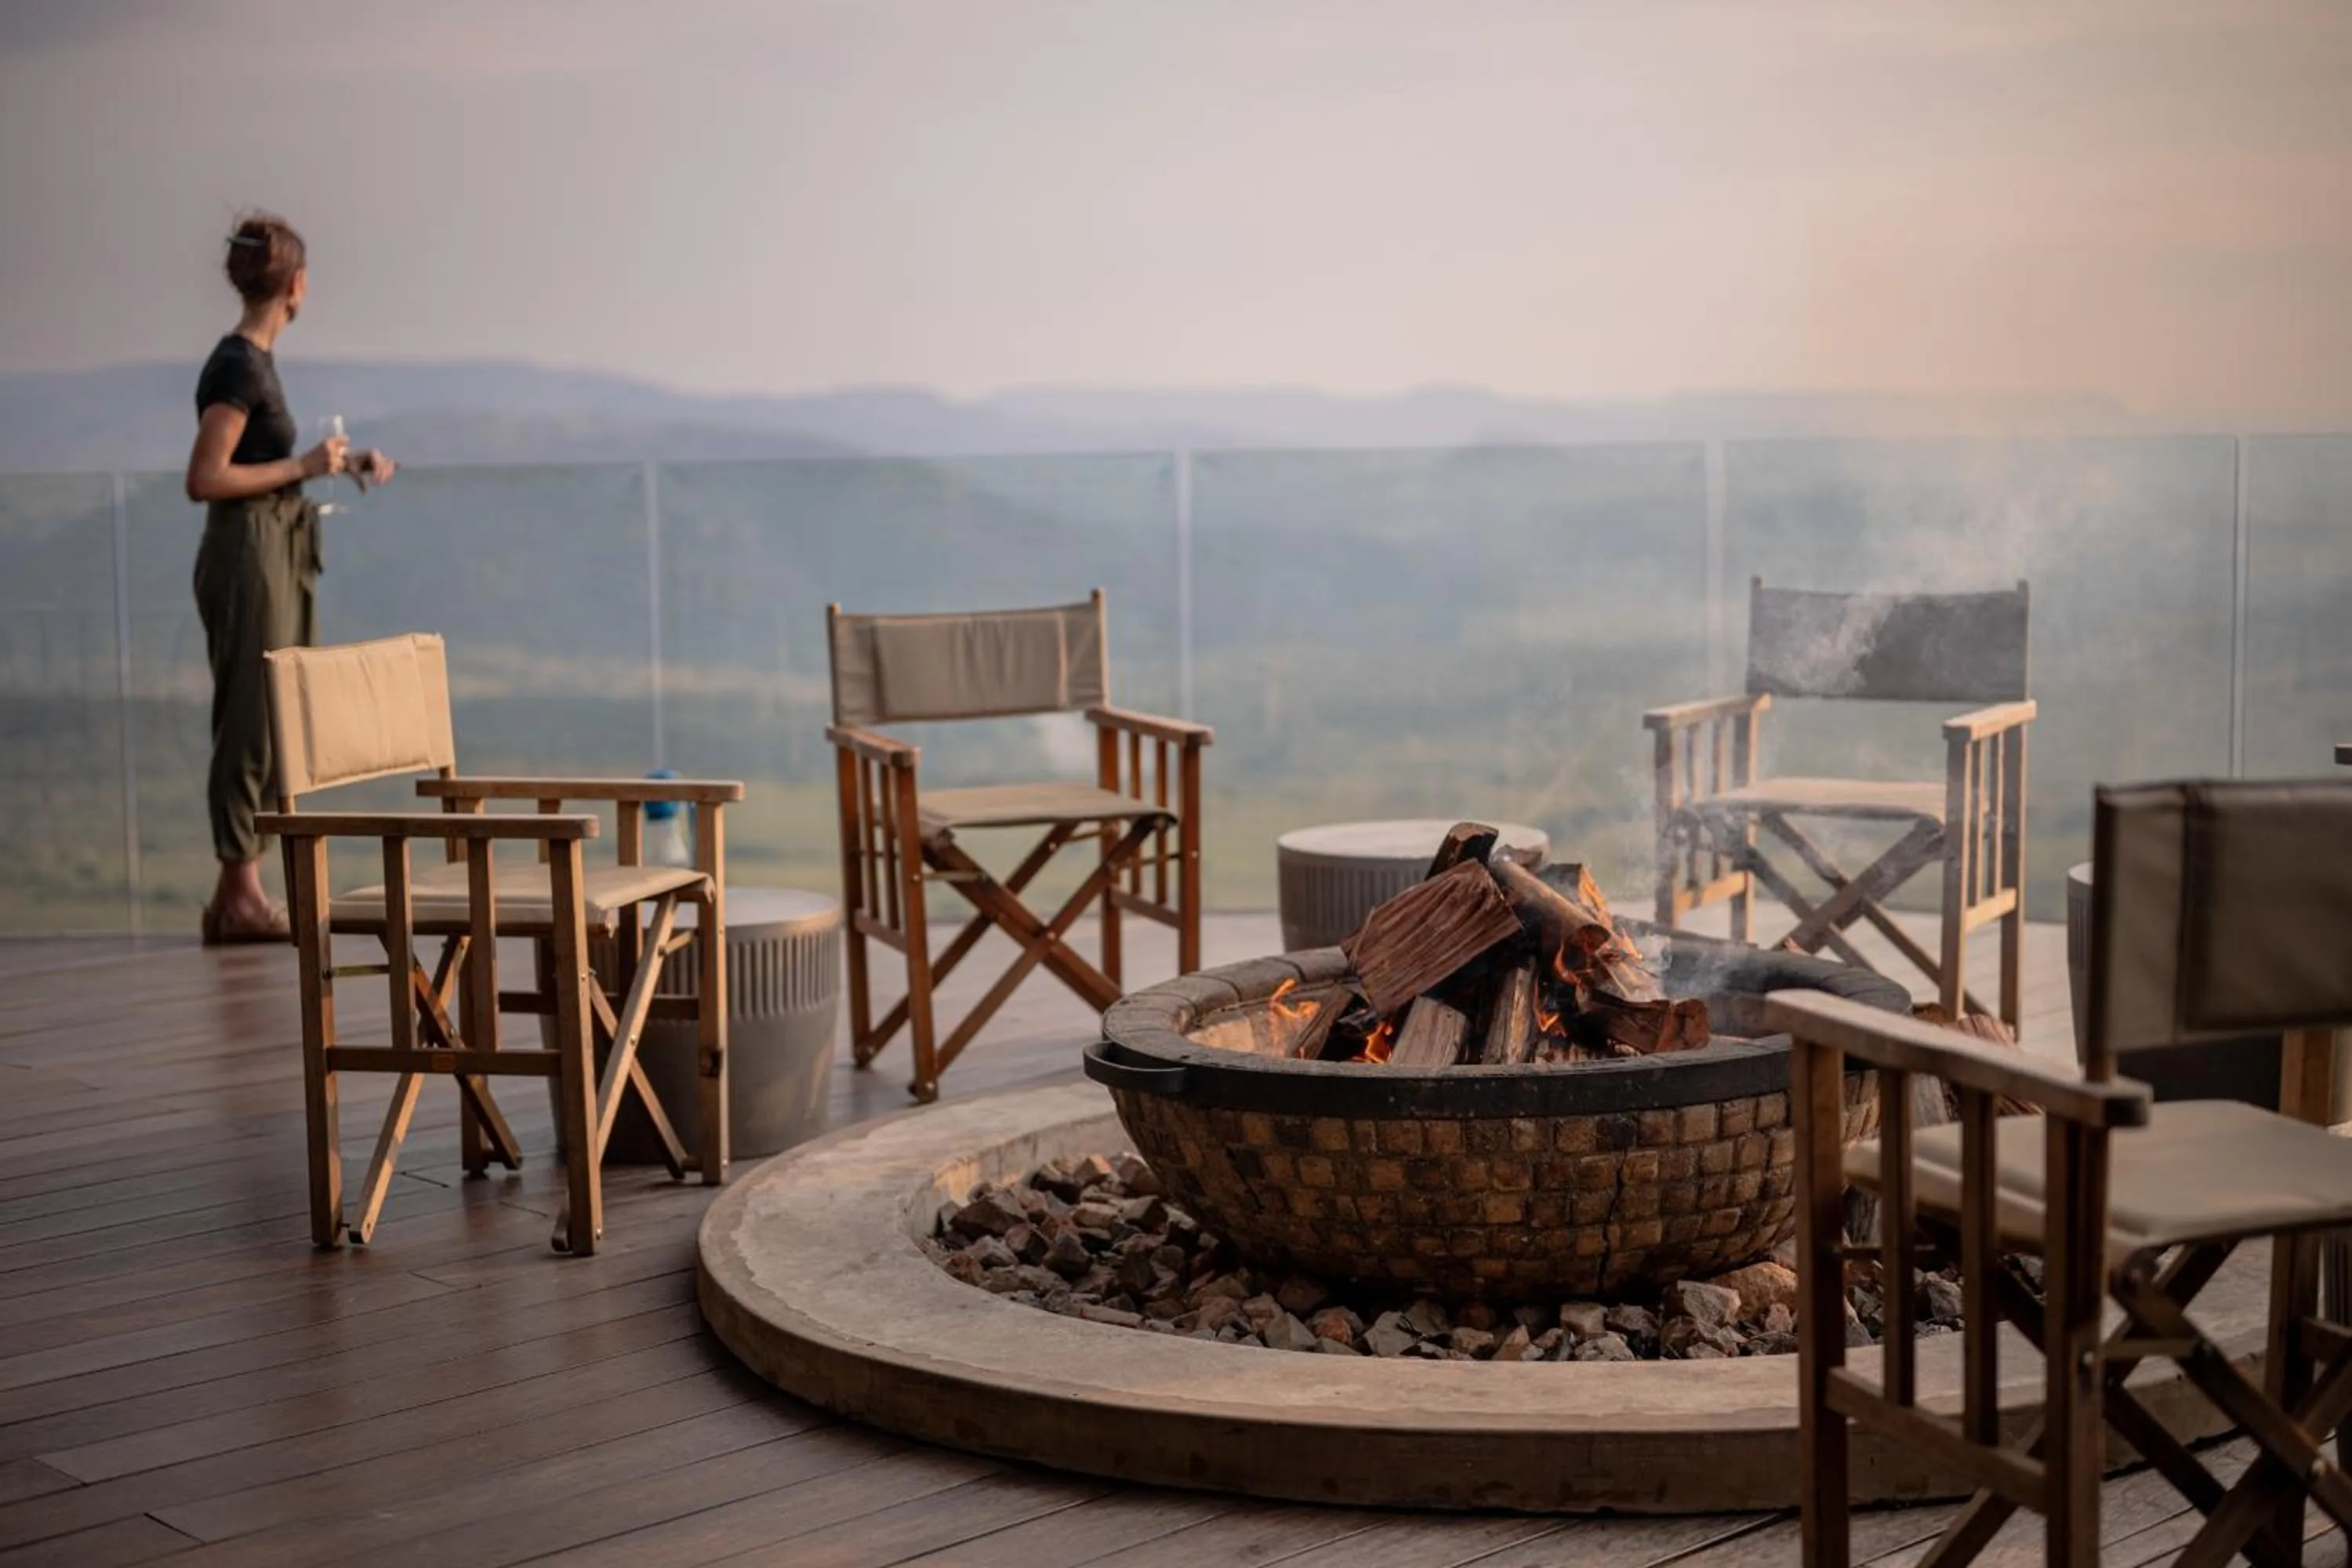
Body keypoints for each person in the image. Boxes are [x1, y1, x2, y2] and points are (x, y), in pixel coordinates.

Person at [183, 212, 395, 943]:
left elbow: (251, 467)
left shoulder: (250, 362)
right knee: (248, 716)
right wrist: (304, 466)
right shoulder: (239, 365)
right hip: (247, 556)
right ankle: (242, 891)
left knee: (266, 712)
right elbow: (206, 477)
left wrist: (341, 461)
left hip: (268, 548)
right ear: (297, 285)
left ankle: (234, 895)